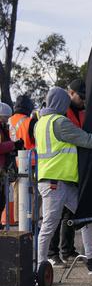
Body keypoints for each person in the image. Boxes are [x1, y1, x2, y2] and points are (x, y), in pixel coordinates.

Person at [35, 87, 92, 274]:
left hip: (58, 182)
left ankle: (91, 260)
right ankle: (40, 266)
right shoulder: (59, 123)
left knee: (86, 216)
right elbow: (86, 139)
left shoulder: (41, 123)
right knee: (49, 224)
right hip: (55, 182)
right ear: (61, 103)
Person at [45, 79, 87, 266]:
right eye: (81, 97)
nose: (83, 101)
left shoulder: (81, 112)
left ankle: (68, 250)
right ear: (71, 93)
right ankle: (51, 254)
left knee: (72, 214)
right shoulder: (60, 115)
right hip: (57, 172)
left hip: (73, 171)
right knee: (55, 215)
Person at [7, 95, 36, 232]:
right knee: (32, 196)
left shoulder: (8, 121)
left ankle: (21, 226)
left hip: (12, 164)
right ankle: (31, 224)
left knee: (18, 198)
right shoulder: (29, 122)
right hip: (29, 163)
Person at [0, 102, 22, 230]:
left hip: (3, 169)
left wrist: (14, 146)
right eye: (4, 117)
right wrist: (13, 145)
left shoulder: (4, 129)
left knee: (2, 199)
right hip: (1, 169)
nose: (6, 120)